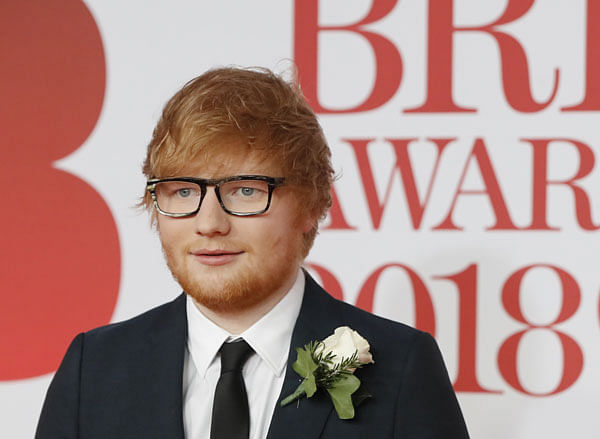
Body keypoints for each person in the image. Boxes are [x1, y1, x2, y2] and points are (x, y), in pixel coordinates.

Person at [36, 67, 470, 439]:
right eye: (183, 190)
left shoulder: (402, 367)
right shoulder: (92, 369)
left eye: (245, 190)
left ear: (312, 204)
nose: (209, 223)